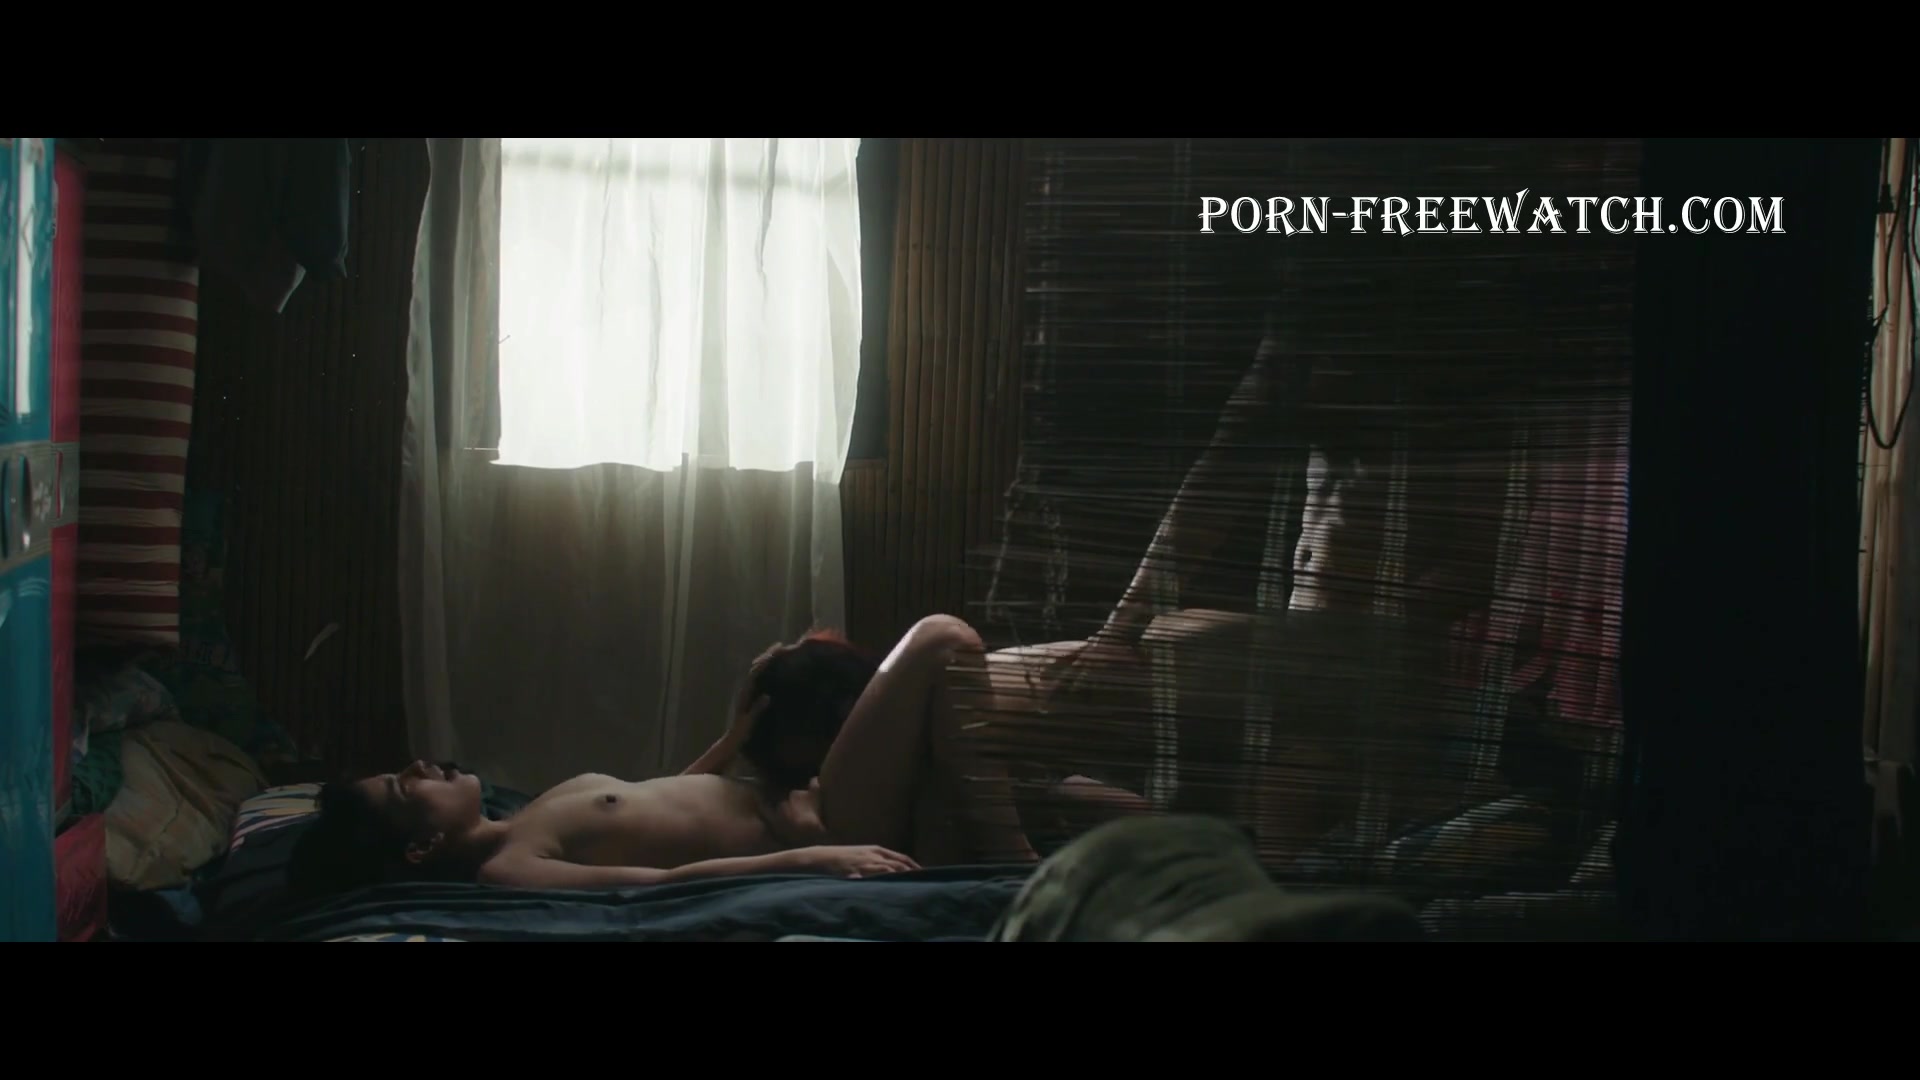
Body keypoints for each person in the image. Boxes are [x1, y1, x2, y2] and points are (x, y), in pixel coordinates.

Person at [291, 614, 1046, 898]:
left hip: (803, 803)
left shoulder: (529, 811)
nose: (421, 765)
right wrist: (810, 858)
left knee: (1065, 782)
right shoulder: (511, 867)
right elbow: (664, 881)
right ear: (421, 846)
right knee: (943, 641)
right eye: (405, 786)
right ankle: (1018, 866)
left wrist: (732, 736)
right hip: (828, 825)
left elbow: (664, 800)